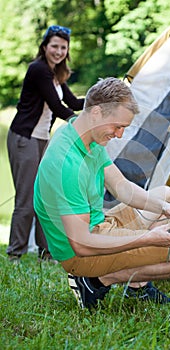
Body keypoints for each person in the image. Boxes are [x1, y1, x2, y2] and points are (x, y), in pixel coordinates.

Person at [34, 77, 170, 309]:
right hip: (81, 253)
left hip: (98, 226)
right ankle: (94, 280)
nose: (120, 134)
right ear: (96, 112)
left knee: (166, 196)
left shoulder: (83, 134)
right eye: (117, 126)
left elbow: (121, 186)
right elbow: (81, 244)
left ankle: (137, 286)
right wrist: (148, 238)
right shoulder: (66, 165)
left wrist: (165, 208)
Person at [6, 25, 85, 263]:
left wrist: (99, 97)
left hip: (42, 139)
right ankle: (15, 255)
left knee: (45, 195)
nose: (59, 51)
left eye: (63, 47)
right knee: (27, 199)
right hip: (25, 138)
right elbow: (59, 108)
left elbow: (72, 101)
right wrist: (86, 125)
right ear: (44, 47)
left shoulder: (55, 74)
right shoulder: (38, 69)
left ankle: (46, 252)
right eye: (55, 46)